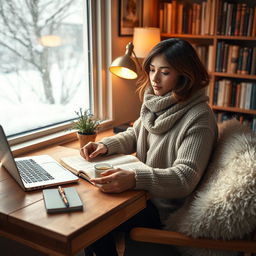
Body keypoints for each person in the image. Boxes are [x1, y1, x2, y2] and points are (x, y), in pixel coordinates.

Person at [81, 38, 218, 256]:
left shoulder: (199, 118)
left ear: (185, 75)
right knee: (91, 210)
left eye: (165, 72)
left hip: (164, 208)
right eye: (152, 69)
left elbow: (184, 178)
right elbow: (136, 134)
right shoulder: (156, 101)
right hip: (143, 196)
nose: (154, 78)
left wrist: (135, 178)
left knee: (94, 224)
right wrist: (105, 145)